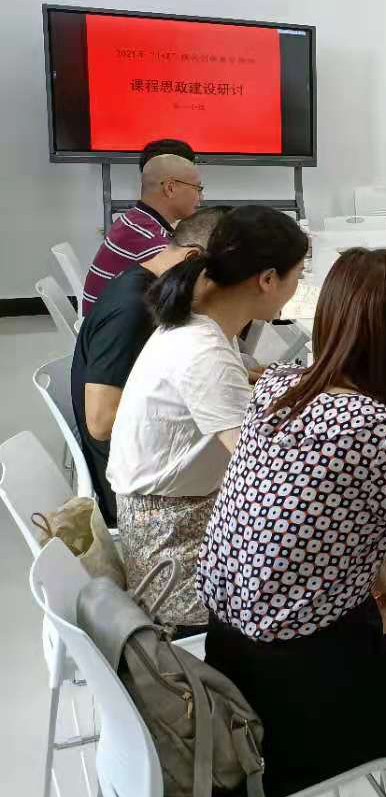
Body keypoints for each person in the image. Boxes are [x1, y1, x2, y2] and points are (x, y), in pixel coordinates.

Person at [198, 249, 386, 797]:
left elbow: (312, 519)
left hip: (234, 669)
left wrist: (385, 591)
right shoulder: (377, 428)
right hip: (301, 702)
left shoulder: (277, 389)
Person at [107, 205, 307, 632]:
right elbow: (266, 474)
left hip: (176, 516)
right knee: (345, 540)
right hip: (173, 554)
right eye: (299, 275)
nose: (298, 288)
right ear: (268, 280)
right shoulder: (204, 352)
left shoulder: (199, 325)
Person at [70, 207, 227, 525]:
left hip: (144, 468)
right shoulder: (133, 309)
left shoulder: (149, 285)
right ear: (192, 259)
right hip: (134, 494)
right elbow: (100, 422)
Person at [82, 146, 203, 314]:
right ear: (170, 188)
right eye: (197, 189)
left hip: (103, 319)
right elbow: (193, 296)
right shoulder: (150, 239)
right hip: (113, 324)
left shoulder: (135, 219)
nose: (201, 198)